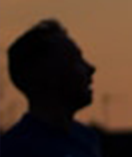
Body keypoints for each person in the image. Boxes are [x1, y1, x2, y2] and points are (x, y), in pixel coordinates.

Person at [1, 19, 101, 157]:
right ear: (48, 75)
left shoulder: (87, 139)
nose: (90, 68)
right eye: (75, 60)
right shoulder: (16, 150)